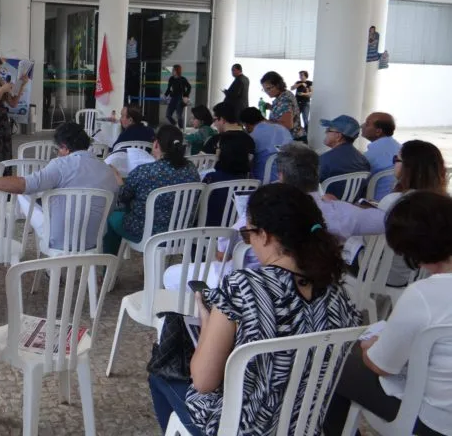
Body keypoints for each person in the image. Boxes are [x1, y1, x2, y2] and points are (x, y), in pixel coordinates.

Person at [150, 183, 361, 435]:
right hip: (304, 425)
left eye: (248, 235)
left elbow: (204, 382)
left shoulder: (243, 286)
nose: (250, 243)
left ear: (266, 235)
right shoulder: (339, 293)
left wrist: (207, 324)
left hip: (243, 427)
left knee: (161, 373)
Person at [162, 143, 385, 290]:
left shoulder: (263, 209)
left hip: (251, 284)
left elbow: (223, 253)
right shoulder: (340, 213)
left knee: (171, 275)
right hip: (314, 285)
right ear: (316, 175)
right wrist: (358, 206)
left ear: (281, 176)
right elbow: (385, 221)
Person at [324, 191, 452, 436]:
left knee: (334, 367)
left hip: (433, 422)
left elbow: (382, 366)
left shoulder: (423, 295)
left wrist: (369, 347)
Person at [0, 122, 117, 251]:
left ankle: (50, 268)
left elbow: (22, 185)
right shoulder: (107, 170)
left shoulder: (61, 165)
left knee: (23, 193)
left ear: (65, 148)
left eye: (57, 150)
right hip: (93, 241)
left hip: (58, 240)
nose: (57, 154)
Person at [103, 125, 199, 256]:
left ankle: (107, 270)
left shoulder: (145, 171)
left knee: (112, 215)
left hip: (146, 232)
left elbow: (122, 197)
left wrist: (119, 181)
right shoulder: (191, 169)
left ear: (156, 144)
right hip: (182, 231)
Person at [376, 140, 447, 287]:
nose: (394, 163)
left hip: (390, 276)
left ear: (409, 167)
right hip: (425, 276)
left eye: (396, 159)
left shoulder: (394, 202)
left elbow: (372, 239)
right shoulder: (444, 204)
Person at [200, 132, 255, 226]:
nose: (217, 151)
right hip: (234, 232)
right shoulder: (252, 182)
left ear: (224, 151)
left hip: (208, 230)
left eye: (218, 148)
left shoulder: (212, 178)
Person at [319, 114, 370, 198]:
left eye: (329, 130)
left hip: (327, 207)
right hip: (352, 208)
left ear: (338, 136)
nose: (326, 132)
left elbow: (309, 186)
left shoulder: (325, 160)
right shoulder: (364, 161)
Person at [239, 107, 292, 183]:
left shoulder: (252, 137)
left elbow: (246, 161)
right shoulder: (283, 129)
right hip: (288, 176)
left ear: (246, 124)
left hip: (264, 181)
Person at [361, 112, 401, 200]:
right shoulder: (399, 148)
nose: (362, 126)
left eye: (367, 124)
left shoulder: (371, 155)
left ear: (378, 131)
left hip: (373, 202)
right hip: (396, 199)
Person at [261, 71, 303, 140]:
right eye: (265, 90)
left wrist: (264, 121)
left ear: (278, 85)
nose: (267, 92)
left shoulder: (285, 99)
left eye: (269, 88)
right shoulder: (283, 95)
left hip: (293, 141)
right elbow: (283, 111)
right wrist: (271, 107)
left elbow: (287, 125)